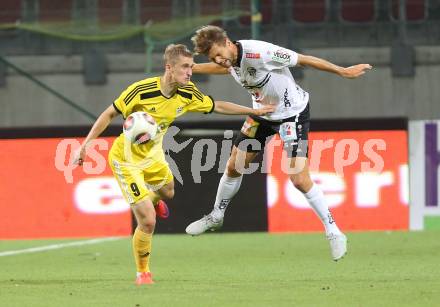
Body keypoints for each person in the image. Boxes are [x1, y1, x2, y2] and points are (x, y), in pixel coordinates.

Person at [73, 44, 274, 285]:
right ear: (169, 68)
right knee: (147, 220)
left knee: (168, 192)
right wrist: (85, 145)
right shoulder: (140, 91)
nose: (190, 73)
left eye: (191, 67)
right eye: (185, 67)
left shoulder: (188, 93)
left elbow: (217, 105)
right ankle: (143, 272)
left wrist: (256, 111)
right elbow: (109, 114)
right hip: (126, 160)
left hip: (153, 155)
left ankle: (154, 200)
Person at [185, 25, 372, 261]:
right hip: (262, 114)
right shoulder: (229, 60)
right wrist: (194, 67)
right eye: (213, 58)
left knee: (299, 179)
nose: (220, 61)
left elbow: (302, 60)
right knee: (234, 165)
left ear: (227, 41)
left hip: (292, 115)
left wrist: (341, 71)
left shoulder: (260, 52)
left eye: (219, 54)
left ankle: (333, 231)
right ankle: (216, 216)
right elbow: (227, 68)